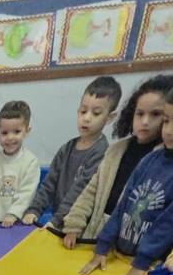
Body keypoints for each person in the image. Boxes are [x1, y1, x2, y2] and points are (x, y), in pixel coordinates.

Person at [80, 71, 173, 275]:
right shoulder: (150, 159)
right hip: (119, 253)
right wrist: (102, 246)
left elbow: (171, 222)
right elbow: (123, 205)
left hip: (150, 264)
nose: (169, 130)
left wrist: (142, 262)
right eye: (166, 121)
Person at [62, 74, 173, 248]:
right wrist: (73, 225)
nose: (145, 121)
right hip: (93, 236)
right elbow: (91, 191)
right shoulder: (115, 150)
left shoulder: (167, 160)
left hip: (129, 247)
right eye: (140, 113)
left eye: (155, 114)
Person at [22, 75, 122, 231]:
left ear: (110, 117)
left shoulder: (102, 153)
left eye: (96, 113)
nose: (86, 118)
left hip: (79, 229)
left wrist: (56, 221)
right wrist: (34, 210)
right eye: (83, 111)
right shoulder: (67, 148)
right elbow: (49, 184)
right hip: (57, 223)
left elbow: (79, 192)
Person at [0, 100, 40, 228]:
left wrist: (13, 214)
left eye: (17, 132)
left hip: (19, 225)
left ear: (27, 131)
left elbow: (27, 193)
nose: (10, 138)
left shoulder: (31, 162)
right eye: (4, 133)